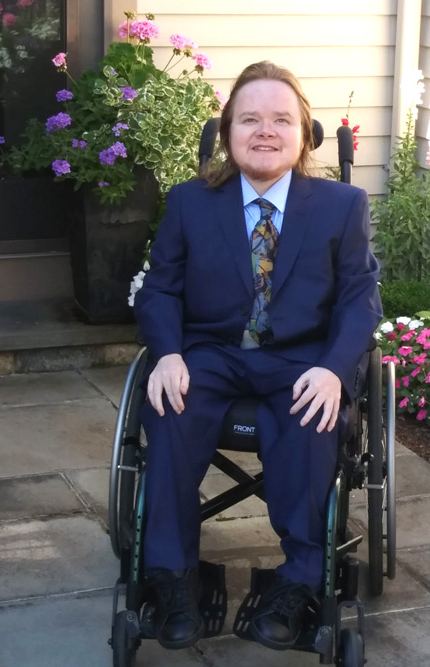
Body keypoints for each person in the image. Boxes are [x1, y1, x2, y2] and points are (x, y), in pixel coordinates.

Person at [134, 60, 382, 652]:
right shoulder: (192, 202)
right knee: (170, 409)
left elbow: (359, 298)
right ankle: (171, 577)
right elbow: (162, 288)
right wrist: (166, 353)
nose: (265, 131)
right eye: (249, 119)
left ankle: (297, 581)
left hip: (302, 358)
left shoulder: (341, 205)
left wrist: (333, 369)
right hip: (211, 354)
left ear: (304, 134)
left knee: (311, 419)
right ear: (228, 135)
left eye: (281, 119)